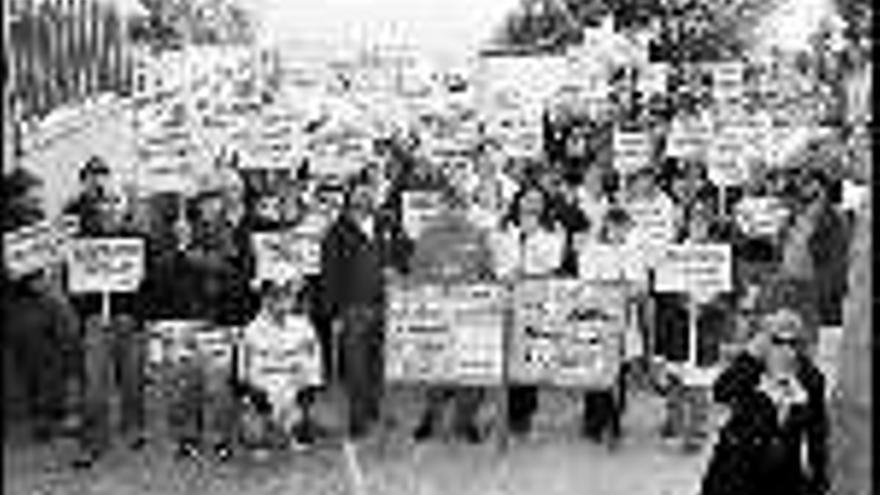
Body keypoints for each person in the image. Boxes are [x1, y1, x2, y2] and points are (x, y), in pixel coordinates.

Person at [63, 162, 150, 468]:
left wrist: (136, 316)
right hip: (95, 323)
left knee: (132, 380)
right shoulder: (81, 243)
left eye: (116, 201)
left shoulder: (138, 240)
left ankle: (134, 427)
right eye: (105, 201)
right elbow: (70, 284)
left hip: (130, 322)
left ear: (125, 206)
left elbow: (151, 286)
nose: (110, 207)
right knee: (95, 387)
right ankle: (92, 443)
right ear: (97, 207)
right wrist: (87, 315)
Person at [320, 169, 412, 439]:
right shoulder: (335, 232)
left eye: (368, 190)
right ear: (348, 197)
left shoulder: (387, 222)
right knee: (356, 368)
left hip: (385, 306)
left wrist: (398, 268)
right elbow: (330, 274)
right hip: (353, 309)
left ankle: (375, 410)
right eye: (359, 191)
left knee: (379, 365)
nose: (365, 195)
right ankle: (357, 419)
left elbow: (405, 252)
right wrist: (333, 313)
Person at [699, 308, 829, 495]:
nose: (786, 350)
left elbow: (817, 433)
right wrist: (749, 357)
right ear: (764, 343)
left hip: (782, 477)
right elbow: (721, 392)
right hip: (735, 472)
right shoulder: (750, 370)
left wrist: (818, 479)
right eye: (778, 341)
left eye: (793, 343)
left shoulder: (810, 379)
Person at [409, 181, 497, 443]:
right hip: (436, 316)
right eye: (450, 206)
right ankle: (431, 416)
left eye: (460, 206)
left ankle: (466, 420)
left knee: (470, 373)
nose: (454, 212)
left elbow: (488, 273)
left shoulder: (478, 235)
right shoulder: (427, 236)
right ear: (441, 208)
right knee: (435, 371)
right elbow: (416, 274)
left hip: (471, 317)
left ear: (466, 208)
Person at [491, 182, 566, 435]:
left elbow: (553, 263)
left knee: (530, 355)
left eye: (538, 200)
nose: (532, 204)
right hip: (509, 298)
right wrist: (505, 274)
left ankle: (524, 414)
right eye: (527, 199)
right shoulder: (503, 227)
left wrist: (532, 239)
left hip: (536, 299)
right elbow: (495, 259)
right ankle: (507, 410)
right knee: (509, 356)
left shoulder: (552, 230)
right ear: (518, 200)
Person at [237, 280, 323, 456]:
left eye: (285, 296)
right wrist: (256, 400)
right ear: (264, 300)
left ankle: (297, 428)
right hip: (263, 393)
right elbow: (242, 374)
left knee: (303, 435)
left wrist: (303, 399)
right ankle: (264, 429)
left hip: (292, 391)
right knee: (253, 436)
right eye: (272, 297)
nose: (278, 302)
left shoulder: (305, 328)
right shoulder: (251, 330)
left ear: (292, 299)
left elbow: (314, 367)